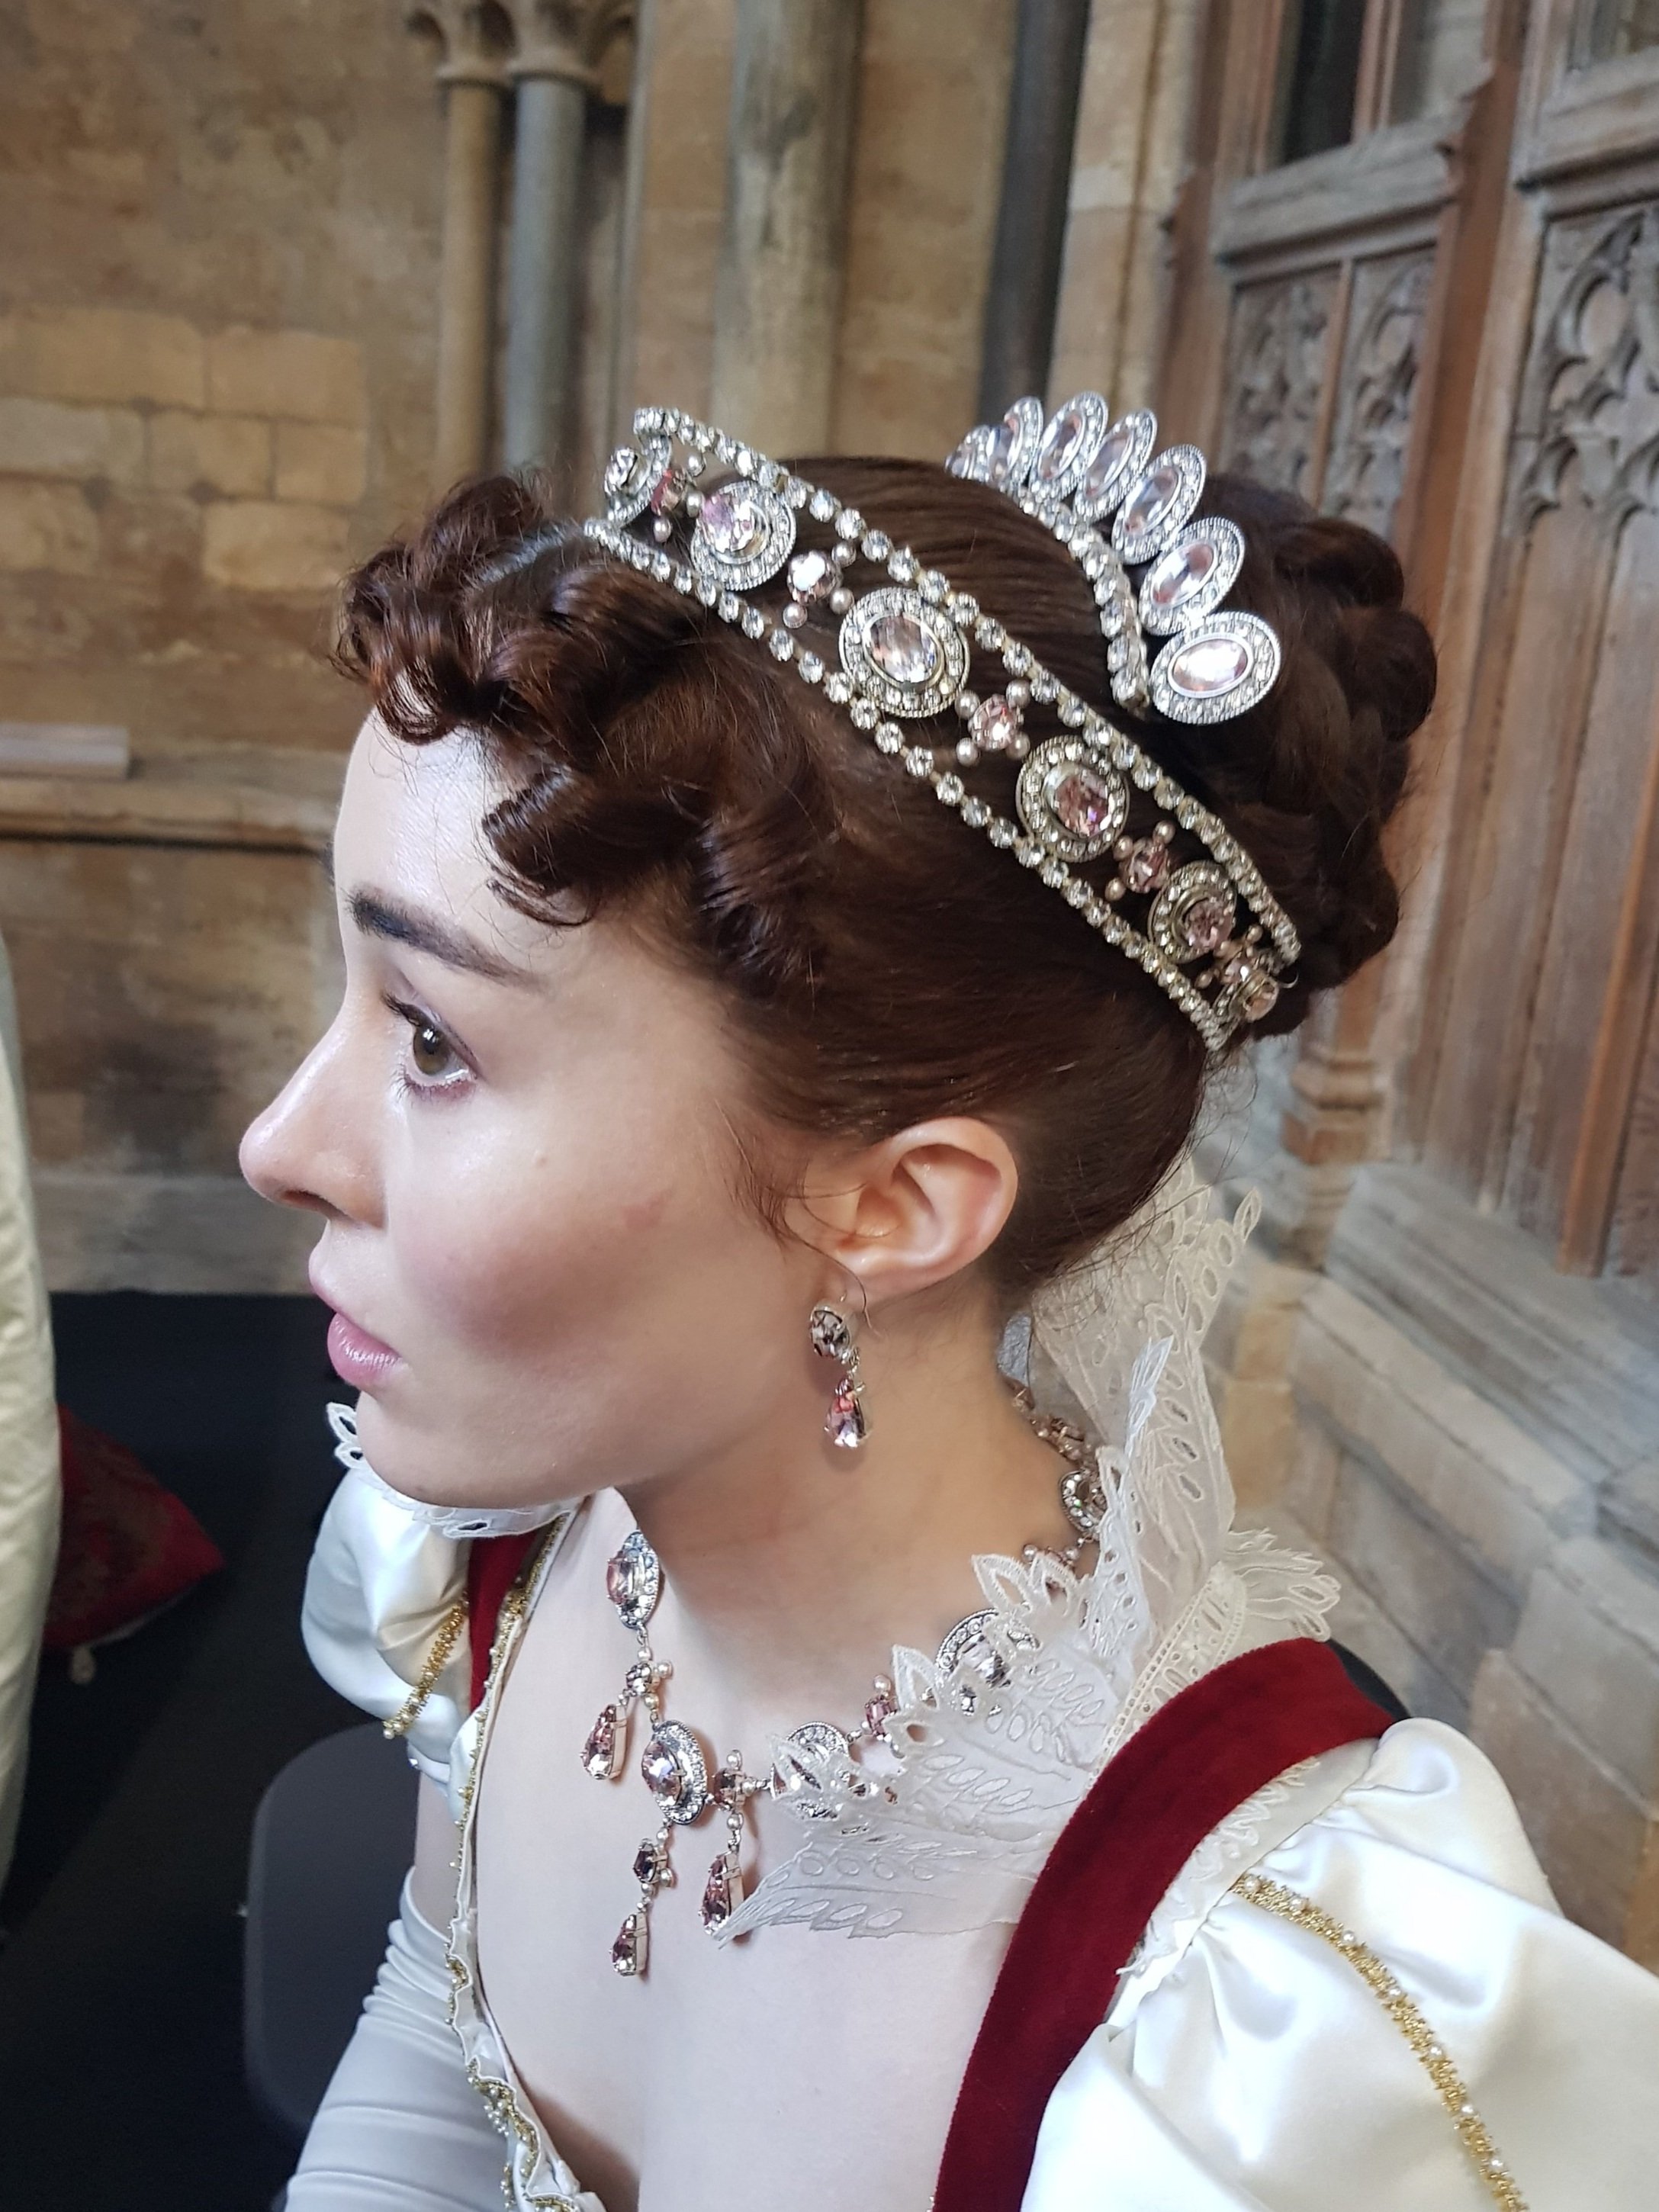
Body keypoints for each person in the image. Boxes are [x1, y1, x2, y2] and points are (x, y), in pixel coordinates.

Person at [240, 397, 1659, 2212]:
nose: (278, 1142)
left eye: (434, 1040)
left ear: (893, 1207)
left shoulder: (1256, 2034)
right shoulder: (516, 1539)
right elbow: (440, 2027)